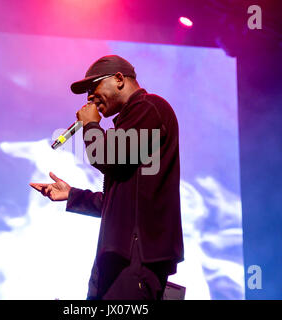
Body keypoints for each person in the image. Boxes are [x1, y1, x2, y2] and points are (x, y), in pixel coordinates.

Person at [30, 55, 183, 300]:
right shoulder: (130, 123)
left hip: (136, 256)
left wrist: (91, 125)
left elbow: (107, 158)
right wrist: (72, 195)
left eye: (94, 87)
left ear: (119, 79)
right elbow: (122, 202)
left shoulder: (149, 107)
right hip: (118, 255)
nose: (89, 98)